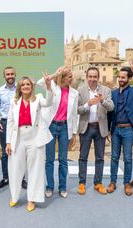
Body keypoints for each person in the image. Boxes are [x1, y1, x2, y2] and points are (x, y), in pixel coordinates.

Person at [6, 75, 53, 212]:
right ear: (19, 88)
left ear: (31, 87)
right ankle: (14, 196)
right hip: (18, 137)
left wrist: (48, 87)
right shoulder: (14, 101)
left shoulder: (38, 98)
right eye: (23, 85)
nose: (25, 86)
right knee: (15, 168)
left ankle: (31, 199)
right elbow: (10, 122)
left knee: (35, 169)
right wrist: (8, 142)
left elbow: (49, 102)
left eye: (28, 84)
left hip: (35, 138)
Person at [37, 66, 78, 198]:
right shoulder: (53, 87)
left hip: (65, 127)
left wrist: (74, 134)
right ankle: (49, 186)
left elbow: (74, 114)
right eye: (69, 76)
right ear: (63, 77)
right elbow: (39, 83)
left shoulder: (74, 93)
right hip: (51, 126)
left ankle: (62, 187)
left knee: (63, 159)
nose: (72, 79)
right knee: (49, 159)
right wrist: (55, 73)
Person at [107, 62, 133, 196]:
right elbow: (109, 113)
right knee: (114, 157)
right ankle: (112, 182)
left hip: (128, 130)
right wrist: (108, 130)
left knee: (128, 158)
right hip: (115, 130)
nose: (120, 79)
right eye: (119, 77)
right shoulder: (113, 93)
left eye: (123, 77)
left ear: (129, 79)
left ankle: (126, 183)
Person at [77, 67, 114, 195]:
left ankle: (98, 183)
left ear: (98, 78)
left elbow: (111, 107)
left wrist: (102, 100)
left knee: (100, 158)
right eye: (90, 76)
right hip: (86, 127)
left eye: (95, 77)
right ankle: (82, 183)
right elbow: (77, 110)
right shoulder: (80, 91)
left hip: (100, 128)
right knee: (83, 157)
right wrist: (88, 104)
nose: (92, 79)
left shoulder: (106, 90)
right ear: (87, 77)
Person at [0, 67, 27, 189]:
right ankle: (6, 178)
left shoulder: (21, 89)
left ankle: (21, 178)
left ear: (15, 75)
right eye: (8, 74)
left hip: (20, 123)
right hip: (5, 123)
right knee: (5, 152)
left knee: (20, 151)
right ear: (4, 76)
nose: (10, 76)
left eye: (12, 74)